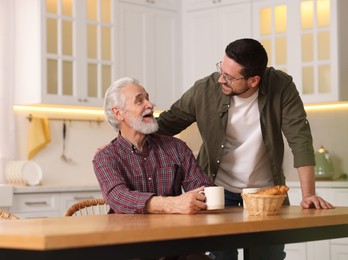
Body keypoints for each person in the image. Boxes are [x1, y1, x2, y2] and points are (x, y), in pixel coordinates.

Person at [156, 38, 334, 259]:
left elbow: (300, 138)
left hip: (266, 196)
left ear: (253, 80)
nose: (221, 79)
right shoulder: (205, 89)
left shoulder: (281, 86)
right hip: (217, 193)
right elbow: (166, 124)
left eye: (229, 77)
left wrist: (309, 195)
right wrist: (122, 141)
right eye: (221, 69)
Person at [93, 77, 214, 216]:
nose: (150, 104)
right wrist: (171, 204)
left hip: (174, 234)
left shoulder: (177, 148)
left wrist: (200, 198)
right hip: (128, 235)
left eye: (148, 98)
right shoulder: (105, 157)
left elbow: (204, 190)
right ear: (118, 113)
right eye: (139, 100)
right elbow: (118, 197)